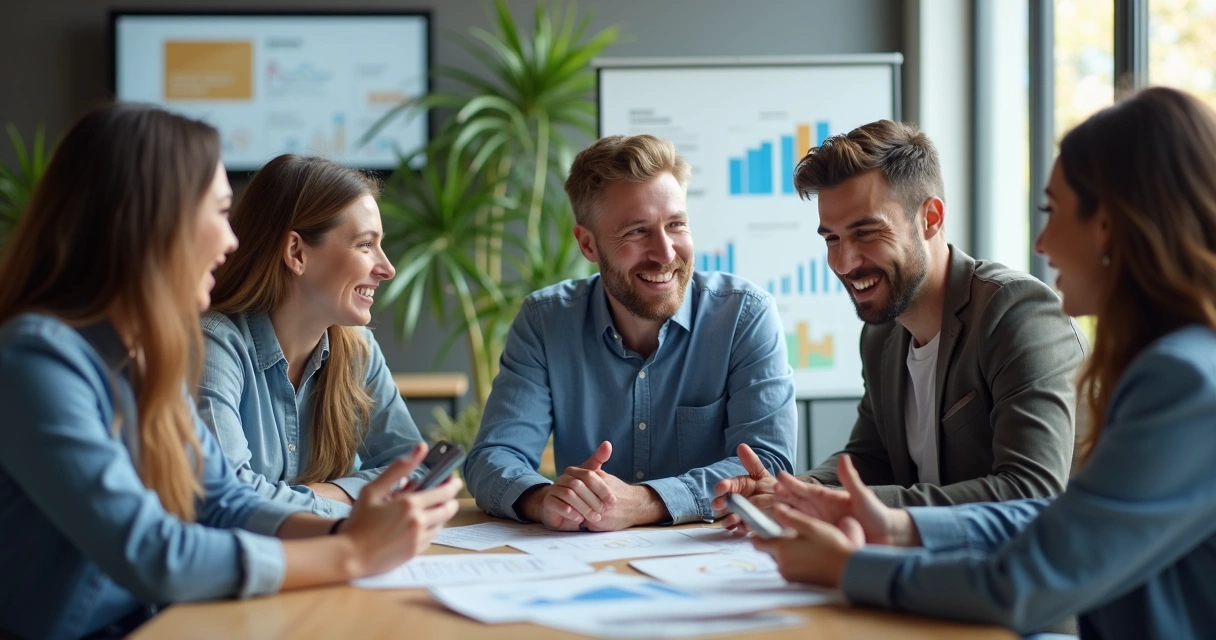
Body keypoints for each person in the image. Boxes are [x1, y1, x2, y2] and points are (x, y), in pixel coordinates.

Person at [751, 87, 1216, 638]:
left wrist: (851, 566)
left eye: (1053, 211)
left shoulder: (1181, 379)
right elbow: (1067, 516)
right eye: (832, 237)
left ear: (1109, 226)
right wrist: (888, 524)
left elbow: (1034, 556)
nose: (1042, 242)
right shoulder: (1170, 363)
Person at [0, 104, 460, 640]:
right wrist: (351, 552)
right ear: (155, 221)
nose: (232, 240)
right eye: (219, 212)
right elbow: (153, 553)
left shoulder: (146, 354)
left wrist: (344, 528)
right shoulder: (35, 362)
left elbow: (221, 498)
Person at [715, 119, 1086, 522]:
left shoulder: (1016, 312)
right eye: (832, 239)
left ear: (930, 218)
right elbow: (870, 459)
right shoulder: (881, 335)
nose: (843, 262)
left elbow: (1030, 490)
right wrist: (794, 493)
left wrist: (840, 507)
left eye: (866, 233)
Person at [463, 134, 797, 530]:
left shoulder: (744, 315)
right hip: (583, 564)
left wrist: (645, 502)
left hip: (710, 562)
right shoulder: (546, 321)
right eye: (637, 232)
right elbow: (493, 456)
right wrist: (543, 499)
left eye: (676, 225)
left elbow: (767, 464)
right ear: (588, 244)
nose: (666, 253)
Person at [198, 154, 424, 518]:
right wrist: (358, 499)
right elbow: (229, 499)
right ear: (296, 253)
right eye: (366, 245)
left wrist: (322, 494)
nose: (387, 268)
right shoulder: (213, 346)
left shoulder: (358, 349)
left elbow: (414, 470)